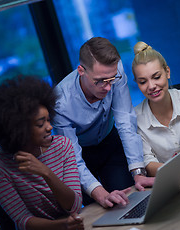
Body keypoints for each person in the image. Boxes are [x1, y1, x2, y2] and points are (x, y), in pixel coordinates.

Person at [53, 37, 154, 208]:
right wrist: (100, 194)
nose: (108, 88)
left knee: (128, 202)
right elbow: (73, 158)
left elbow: (125, 121)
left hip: (109, 142)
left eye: (111, 80)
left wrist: (138, 172)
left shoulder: (115, 71)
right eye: (99, 81)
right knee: (98, 208)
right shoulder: (60, 102)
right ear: (81, 71)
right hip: (81, 153)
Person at [0, 75, 84, 230]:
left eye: (48, 120)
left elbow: (74, 206)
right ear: (18, 128)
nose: (50, 127)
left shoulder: (62, 145)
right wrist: (64, 225)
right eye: (40, 123)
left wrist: (46, 173)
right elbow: (23, 220)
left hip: (73, 228)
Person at [132, 41, 180, 177]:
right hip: (168, 183)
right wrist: (175, 169)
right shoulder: (136, 117)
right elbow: (148, 163)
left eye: (156, 77)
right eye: (143, 82)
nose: (151, 86)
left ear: (167, 72)